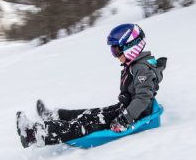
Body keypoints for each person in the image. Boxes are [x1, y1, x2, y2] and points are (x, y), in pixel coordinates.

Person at [16, 23, 167, 148]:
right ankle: (55, 115)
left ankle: (33, 134)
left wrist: (124, 119)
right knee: (89, 113)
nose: (114, 54)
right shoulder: (136, 65)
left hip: (132, 115)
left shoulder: (141, 68)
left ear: (130, 46)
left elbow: (143, 97)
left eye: (115, 50)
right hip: (125, 109)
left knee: (84, 124)